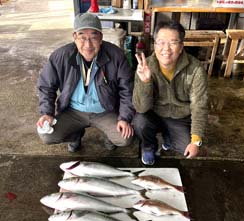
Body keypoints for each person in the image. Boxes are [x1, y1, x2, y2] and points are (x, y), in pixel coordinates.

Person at [36, 13, 134, 152]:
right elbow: (46, 86)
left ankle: (109, 136)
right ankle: (75, 135)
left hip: (105, 110)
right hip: (73, 111)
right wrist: (47, 112)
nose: (88, 45)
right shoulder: (60, 56)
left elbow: (127, 89)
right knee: (46, 134)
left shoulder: (116, 55)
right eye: (82, 37)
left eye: (93, 37)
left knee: (125, 138)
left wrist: (124, 117)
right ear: (74, 37)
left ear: (101, 38)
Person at [133, 20, 208, 165]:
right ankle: (148, 146)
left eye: (173, 43)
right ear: (154, 45)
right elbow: (141, 108)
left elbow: (200, 106)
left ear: (181, 47)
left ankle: (169, 136)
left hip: (180, 117)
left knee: (186, 149)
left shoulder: (195, 68)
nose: (166, 49)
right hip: (154, 114)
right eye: (160, 42)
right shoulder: (145, 66)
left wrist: (196, 140)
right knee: (139, 121)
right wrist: (146, 82)